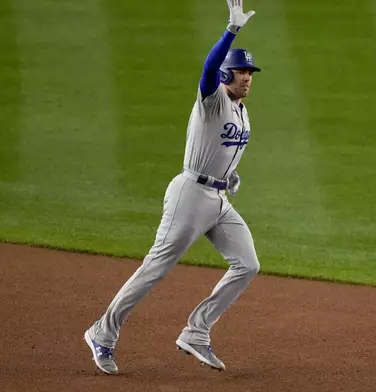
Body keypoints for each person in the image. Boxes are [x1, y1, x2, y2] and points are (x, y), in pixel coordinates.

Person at [83, 0, 261, 375]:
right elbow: (208, 68)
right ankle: (102, 333)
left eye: (249, 72)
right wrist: (231, 31)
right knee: (155, 268)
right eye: (240, 71)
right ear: (226, 76)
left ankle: (197, 331)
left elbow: (221, 149)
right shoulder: (212, 100)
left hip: (217, 198)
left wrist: (228, 175)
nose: (246, 77)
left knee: (247, 264)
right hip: (190, 195)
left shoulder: (243, 110)